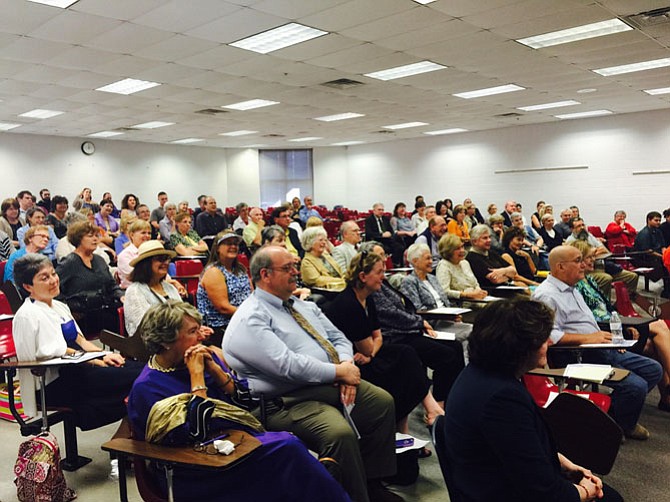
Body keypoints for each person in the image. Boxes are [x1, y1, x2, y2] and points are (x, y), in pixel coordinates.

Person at [223, 246, 398, 502]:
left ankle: (371, 481)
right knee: (339, 434)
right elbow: (287, 366)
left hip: (327, 382)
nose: (296, 272)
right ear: (265, 274)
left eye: (295, 266)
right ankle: (351, 497)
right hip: (283, 401)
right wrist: (338, 372)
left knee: (382, 403)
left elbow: (339, 337)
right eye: (288, 268)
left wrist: (346, 366)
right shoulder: (251, 317)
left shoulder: (300, 305)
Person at [127, 301, 350, 502]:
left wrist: (216, 372)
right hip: (194, 469)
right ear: (166, 341)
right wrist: (197, 379)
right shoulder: (148, 387)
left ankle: (313, 482)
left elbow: (244, 402)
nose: (202, 336)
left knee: (291, 451)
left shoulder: (202, 360)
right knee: (289, 451)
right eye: (193, 332)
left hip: (233, 445)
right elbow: (195, 434)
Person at [441, 298, 623, 502]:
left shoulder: (479, 375)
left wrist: (565, 464)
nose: (550, 342)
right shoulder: (501, 399)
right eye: (543, 339)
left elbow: (520, 449)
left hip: (491, 481)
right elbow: (544, 492)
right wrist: (586, 492)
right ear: (521, 347)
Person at [532, 246, 662, 439]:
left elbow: (586, 323)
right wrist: (590, 339)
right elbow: (550, 336)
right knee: (636, 386)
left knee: (654, 370)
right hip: (578, 354)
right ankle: (615, 424)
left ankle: (610, 417)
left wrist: (612, 335)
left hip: (599, 347)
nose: (583, 265)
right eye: (577, 261)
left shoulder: (572, 288)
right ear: (560, 266)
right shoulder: (547, 295)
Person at [13, 253, 142, 431]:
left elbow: (79, 340)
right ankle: (132, 434)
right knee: (135, 377)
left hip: (79, 368)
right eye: (44, 278)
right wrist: (99, 361)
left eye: (53, 274)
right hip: (54, 381)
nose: (53, 280)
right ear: (28, 286)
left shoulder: (59, 306)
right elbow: (58, 352)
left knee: (139, 368)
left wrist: (106, 354)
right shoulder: (28, 314)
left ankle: (132, 430)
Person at [325, 251, 444, 435]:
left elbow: (376, 339)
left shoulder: (368, 298)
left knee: (407, 354)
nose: (384, 276)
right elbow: (368, 345)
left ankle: (414, 422)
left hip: (367, 356)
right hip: (349, 364)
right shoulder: (349, 304)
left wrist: (371, 353)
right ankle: (420, 416)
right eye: (379, 272)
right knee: (403, 370)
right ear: (363, 276)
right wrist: (371, 351)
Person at [570, 240, 670, 411]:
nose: (593, 261)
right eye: (589, 258)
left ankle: (666, 396)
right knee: (660, 328)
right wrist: (620, 330)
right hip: (605, 331)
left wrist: (623, 325)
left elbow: (609, 308)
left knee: (654, 344)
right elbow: (592, 320)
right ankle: (665, 394)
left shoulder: (589, 281)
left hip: (615, 326)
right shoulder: (577, 287)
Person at [364, 242, 466, 408]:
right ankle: (439, 404)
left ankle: (455, 398)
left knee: (455, 347)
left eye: (383, 255)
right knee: (446, 355)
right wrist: (419, 322)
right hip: (396, 334)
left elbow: (403, 308)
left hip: (410, 327)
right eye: (379, 256)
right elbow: (391, 314)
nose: (384, 259)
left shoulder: (382, 282)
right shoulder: (375, 286)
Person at [57, 221, 124, 334]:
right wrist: (67, 310)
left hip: (105, 311)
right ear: (78, 239)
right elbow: (54, 289)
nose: (95, 239)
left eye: (96, 236)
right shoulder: (69, 263)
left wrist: (122, 296)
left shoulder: (99, 260)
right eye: (90, 236)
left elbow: (111, 286)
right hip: (82, 317)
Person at [197, 231, 252, 346]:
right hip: (219, 328)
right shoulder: (213, 272)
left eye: (235, 244)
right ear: (217, 248)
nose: (233, 246)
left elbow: (252, 296)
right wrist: (252, 316)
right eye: (228, 243)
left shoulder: (241, 269)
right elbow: (223, 308)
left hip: (243, 321)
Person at [123, 240, 182, 337]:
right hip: (150, 345)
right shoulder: (135, 291)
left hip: (175, 338)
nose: (166, 263)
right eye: (160, 259)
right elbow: (145, 327)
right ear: (146, 264)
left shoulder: (169, 287)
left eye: (167, 258)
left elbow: (183, 314)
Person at [435, 233, 487, 302]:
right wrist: (465, 294)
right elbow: (444, 291)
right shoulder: (444, 266)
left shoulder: (465, 263)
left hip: (477, 300)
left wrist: (479, 292)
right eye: (457, 248)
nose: (462, 251)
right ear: (448, 251)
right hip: (460, 304)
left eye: (462, 247)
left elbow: (475, 284)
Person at [465, 225, 518, 292]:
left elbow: (514, 271)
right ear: (474, 241)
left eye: (489, 237)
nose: (489, 240)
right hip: (493, 292)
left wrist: (501, 271)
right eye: (485, 238)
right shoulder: (472, 257)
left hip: (507, 288)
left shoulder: (492, 253)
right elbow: (496, 280)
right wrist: (508, 273)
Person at [300, 226, 346, 290]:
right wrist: (341, 281)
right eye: (321, 240)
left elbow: (340, 271)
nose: (324, 243)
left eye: (325, 240)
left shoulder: (326, 255)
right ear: (310, 242)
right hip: (326, 293)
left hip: (340, 288)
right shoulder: (306, 262)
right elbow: (317, 280)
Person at [116, 219, 153, 289]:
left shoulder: (152, 252)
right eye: (143, 233)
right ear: (132, 235)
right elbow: (136, 277)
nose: (147, 236)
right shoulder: (125, 255)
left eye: (149, 233)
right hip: (133, 291)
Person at [364, 203, 403, 267]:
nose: (381, 212)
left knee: (399, 247)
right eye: (379, 210)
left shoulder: (386, 219)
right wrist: (381, 235)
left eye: (382, 210)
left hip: (387, 239)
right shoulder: (369, 220)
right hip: (376, 240)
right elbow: (369, 233)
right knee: (386, 248)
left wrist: (390, 233)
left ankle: (396, 264)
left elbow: (391, 230)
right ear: (374, 211)